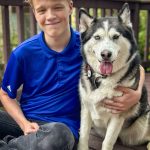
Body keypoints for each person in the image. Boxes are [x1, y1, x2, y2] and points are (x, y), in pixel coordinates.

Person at [0, 0, 145, 149]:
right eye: (42, 10)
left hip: (60, 129)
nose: (50, 16)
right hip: (26, 121)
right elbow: (5, 94)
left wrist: (137, 94)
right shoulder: (23, 52)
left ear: (70, 7)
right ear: (34, 13)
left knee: (59, 137)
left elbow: (135, 66)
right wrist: (24, 124)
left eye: (57, 7)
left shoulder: (88, 45)